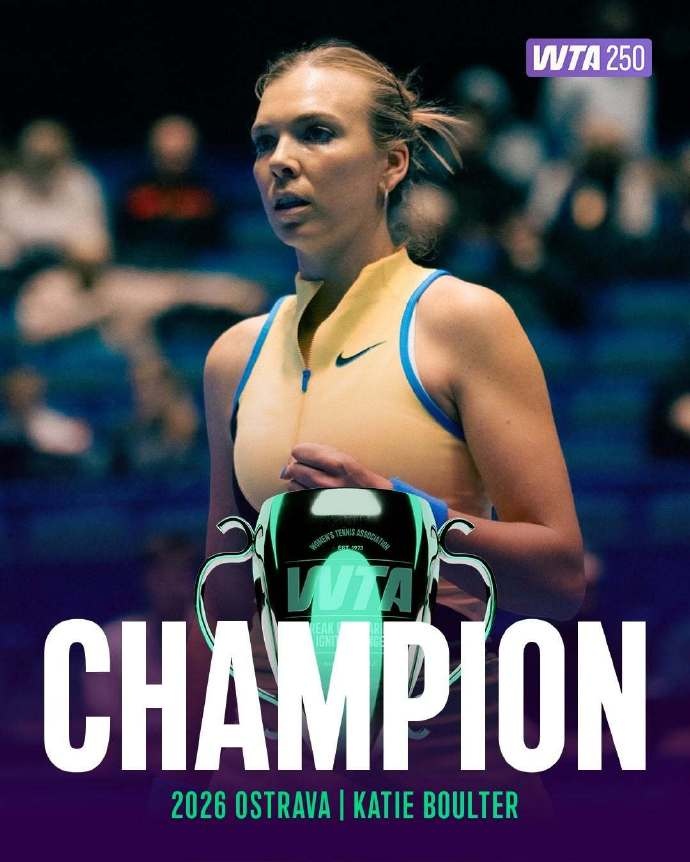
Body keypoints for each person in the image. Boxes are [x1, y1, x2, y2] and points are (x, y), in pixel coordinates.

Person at [190, 39, 585, 793]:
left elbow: (560, 580)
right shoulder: (231, 358)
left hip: (450, 774)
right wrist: (189, 757)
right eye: (264, 141)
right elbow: (226, 595)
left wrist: (407, 518)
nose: (280, 161)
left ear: (392, 164)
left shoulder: (463, 321)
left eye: (316, 133)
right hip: (275, 782)